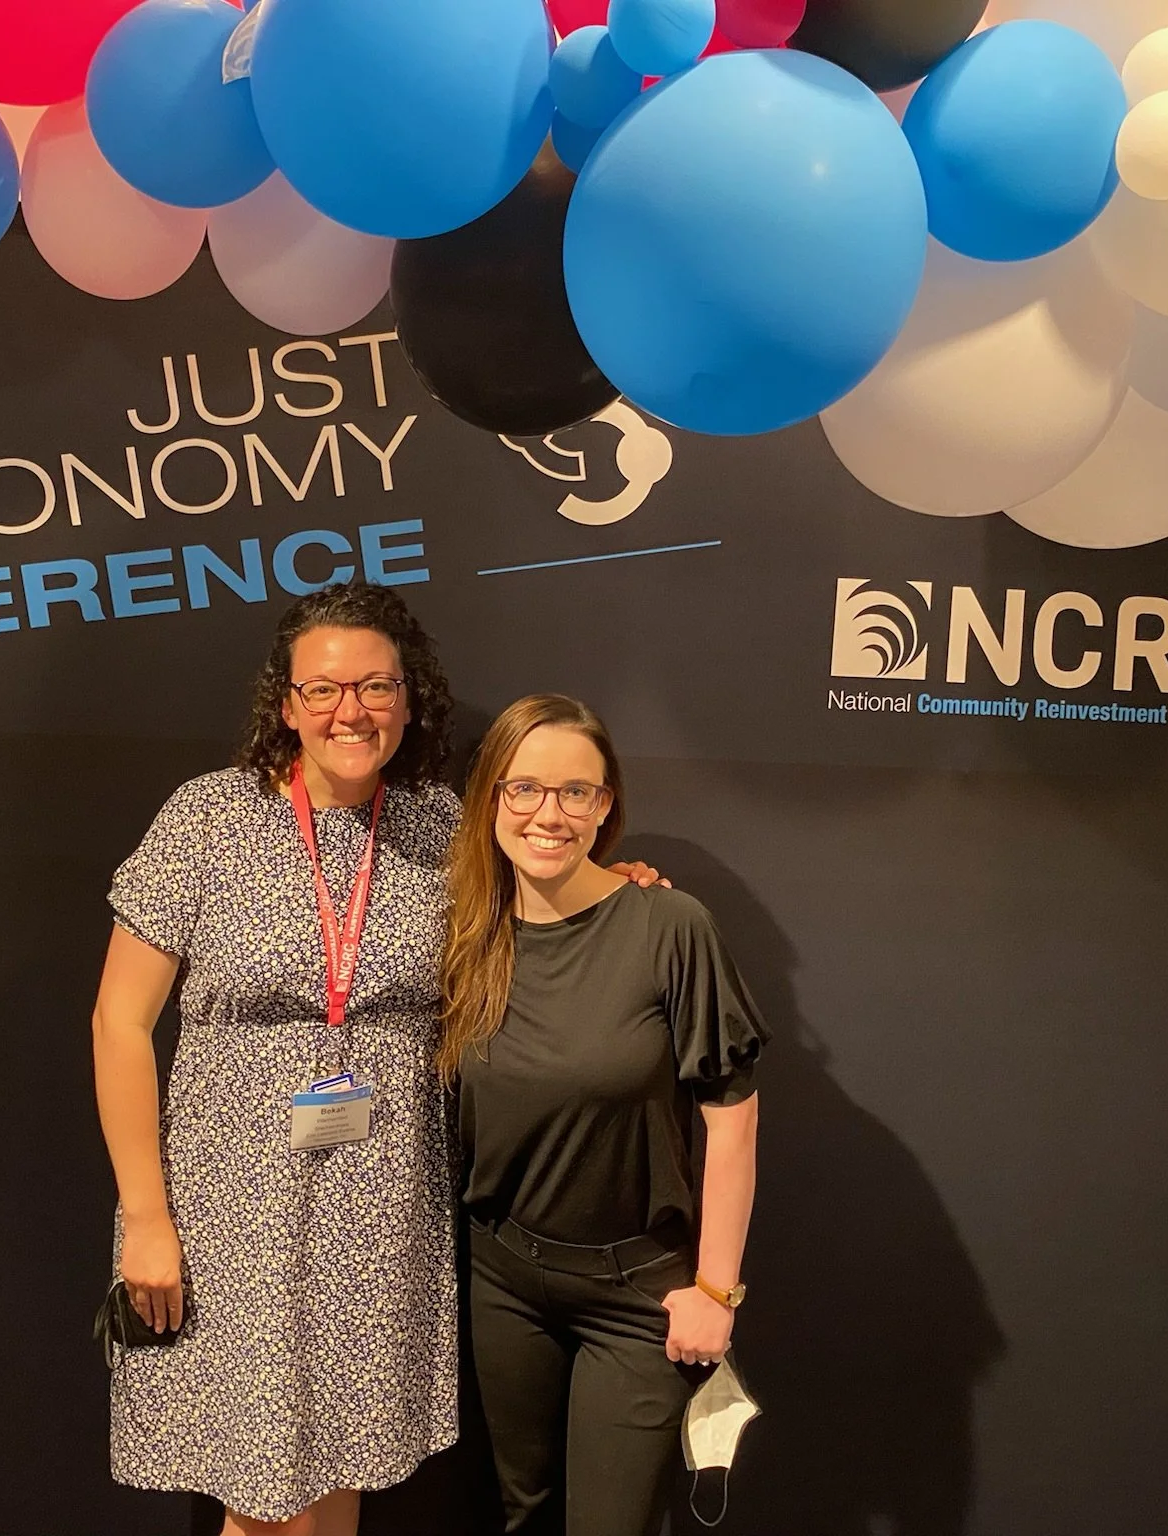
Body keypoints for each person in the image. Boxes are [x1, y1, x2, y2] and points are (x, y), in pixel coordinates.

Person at [90, 585, 662, 1536]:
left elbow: (548, 884)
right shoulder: (206, 819)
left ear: (409, 698)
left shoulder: (442, 828)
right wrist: (147, 1217)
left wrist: (624, 884)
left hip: (383, 1210)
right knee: (259, 1494)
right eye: (322, 690)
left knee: (340, 1474)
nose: (349, 710)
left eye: (374, 686)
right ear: (287, 704)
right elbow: (118, 1022)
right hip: (235, 1208)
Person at [441, 694, 766, 1536]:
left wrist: (714, 1292)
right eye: (525, 789)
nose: (549, 814)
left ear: (606, 804)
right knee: (522, 1512)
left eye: (575, 792)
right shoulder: (464, 932)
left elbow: (731, 1124)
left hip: (638, 1294)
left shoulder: (670, 926)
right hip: (501, 1278)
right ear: (491, 799)